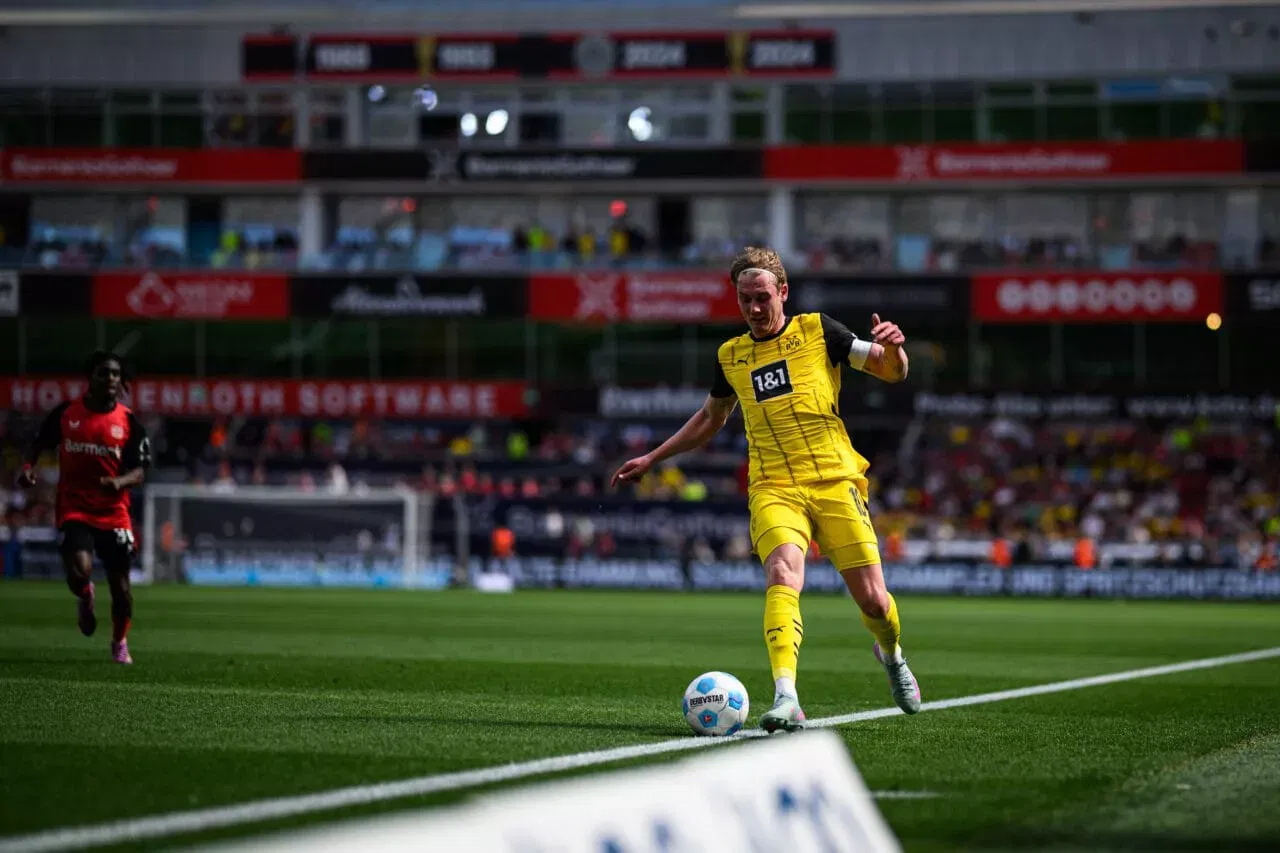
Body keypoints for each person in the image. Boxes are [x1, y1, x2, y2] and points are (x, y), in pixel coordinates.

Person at [612, 247, 921, 732]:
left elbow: (889, 369)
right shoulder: (731, 356)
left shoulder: (819, 331)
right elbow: (712, 418)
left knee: (876, 604)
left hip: (835, 478)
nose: (754, 309)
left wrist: (896, 348)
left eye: (762, 297)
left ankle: (893, 655)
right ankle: (786, 696)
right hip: (774, 485)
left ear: (783, 292)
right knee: (782, 573)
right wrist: (654, 457)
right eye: (744, 300)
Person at [16, 351, 151, 664]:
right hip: (75, 507)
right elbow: (38, 444)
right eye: (105, 373)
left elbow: (141, 470)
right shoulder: (67, 413)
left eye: (116, 374)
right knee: (80, 570)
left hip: (114, 512)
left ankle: (119, 641)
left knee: (122, 590)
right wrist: (27, 467)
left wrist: (120, 482)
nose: (112, 379)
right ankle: (85, 594)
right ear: (90, 378)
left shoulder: (128, 422)